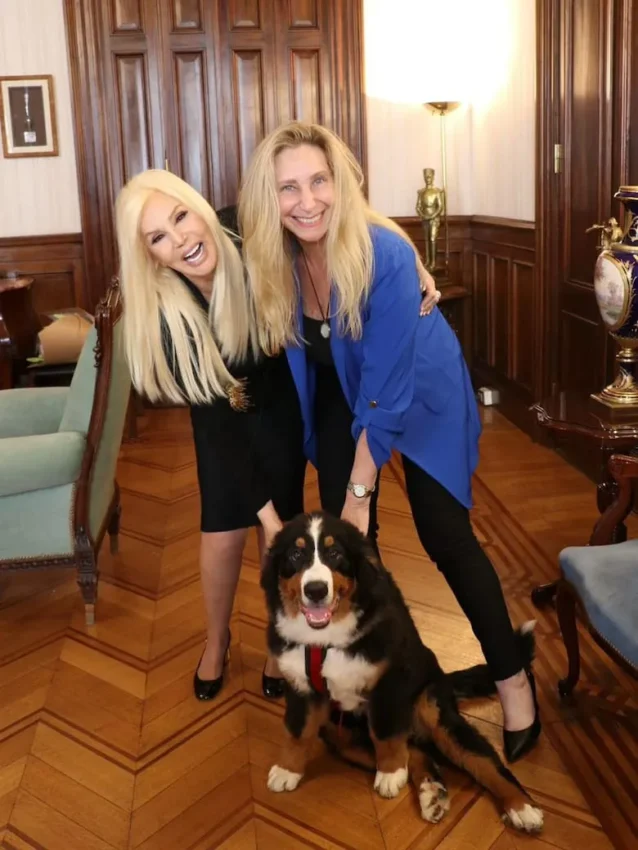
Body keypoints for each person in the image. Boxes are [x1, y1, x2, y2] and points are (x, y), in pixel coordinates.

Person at [237, 121, 541, 762]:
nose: (307, 200)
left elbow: (388, 388)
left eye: (319, 180)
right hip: (339, 390)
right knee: (352, 549)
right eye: (287, 187)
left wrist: (360, 489)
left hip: (418, 386)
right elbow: (196, 238)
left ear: (340, 181)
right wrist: (353, 507)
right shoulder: (272, 253)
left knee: (444, 534)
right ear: (270, 199)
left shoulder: (387, 253)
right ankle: (367, 682)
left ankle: (514, 679)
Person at [115, 169, 306, 701]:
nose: (180, 240)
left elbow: (330, 224)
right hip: (218, 413)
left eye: (180, 217)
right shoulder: (165, 315)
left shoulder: (244, 230)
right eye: (158, 237)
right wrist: (262, 512)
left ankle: (278, 641)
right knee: (224, 534)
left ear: (197, 207)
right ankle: (216, 640)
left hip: (277, 400)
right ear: (150, 255)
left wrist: (408, 255)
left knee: (280, 531)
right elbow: (219, 422)